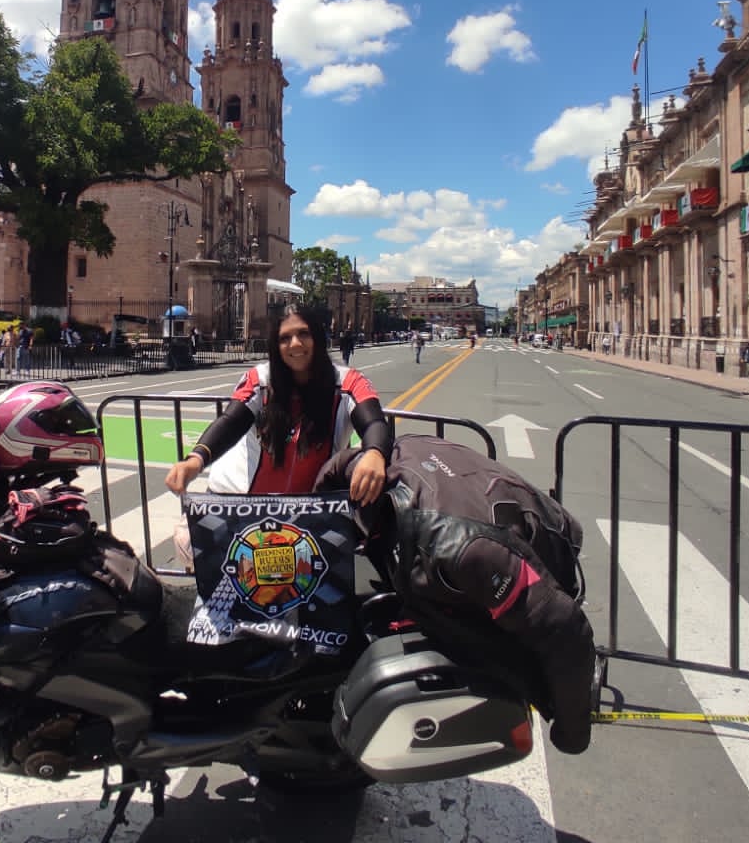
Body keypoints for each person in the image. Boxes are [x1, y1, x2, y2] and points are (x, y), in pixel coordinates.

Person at [314, 436, 596, 756]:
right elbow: (336, 468)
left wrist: (571, 730)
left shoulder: (463, 550)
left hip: (538, 543)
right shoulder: (369, 471)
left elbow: (564, 624)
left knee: (485, 640)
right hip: (463, 506)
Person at [165, 304, 393, 566]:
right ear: (275, 345)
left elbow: (374, 421)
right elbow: (230, 421)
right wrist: (195, 459)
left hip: (308, 518)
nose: (295, 344)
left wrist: (375, 452)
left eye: (303, 333)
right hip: (242, 506)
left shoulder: (349, 381)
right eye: (284, 338)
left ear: (318, 336)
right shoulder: (259, 380)